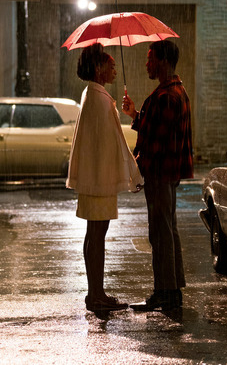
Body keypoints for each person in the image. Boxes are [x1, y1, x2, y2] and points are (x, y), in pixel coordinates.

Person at [66, 43, 143, 312]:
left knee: (94, 234)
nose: (114, 70)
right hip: (99, 179)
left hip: (94, 177)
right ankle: (96, 294)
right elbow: (116, 142)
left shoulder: (92, 94)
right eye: (110, 66)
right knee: (97, 235)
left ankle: (95, 292)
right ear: (98, 69)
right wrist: (134, 173)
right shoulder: (100, 98)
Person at [121, 40, 193, 311]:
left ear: (163, 61)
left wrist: (139, 167)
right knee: (167, 231)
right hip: (167, 173)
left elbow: (156, 141)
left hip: (160, 173)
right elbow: (156, 129)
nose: (146, 63)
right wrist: (135, 115)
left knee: (160, 234)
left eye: (150, 58)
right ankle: (172, 290)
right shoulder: (176, 91)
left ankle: (165, 292)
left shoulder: (167, 97)